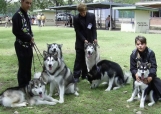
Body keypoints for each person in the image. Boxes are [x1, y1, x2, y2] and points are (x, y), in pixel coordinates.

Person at [12, 0, 34, 87]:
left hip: (28, 45)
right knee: (23, 67)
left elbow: (28, 29)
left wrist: (31, 37)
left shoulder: (26, 14)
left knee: (28, 66)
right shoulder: (17, 15)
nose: (29, 5)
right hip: (21, 46)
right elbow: (16, 31)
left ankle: (27, 85)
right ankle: (22, 86)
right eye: (27, 3)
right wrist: (29, 38)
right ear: (22, 2)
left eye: (30, 3)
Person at [73, 3, 97, 82]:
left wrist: (95, 38)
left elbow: (94, 29)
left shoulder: (92, 16)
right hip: (80, 41)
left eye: (84, 12)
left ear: (86, 10)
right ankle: (76, 75)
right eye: (81, 13)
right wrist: (84, 40)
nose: (83, 14)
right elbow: (77, 31)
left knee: (87, 58)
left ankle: (85, 74)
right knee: (79, 58)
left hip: (89, 41)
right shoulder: (76, 18)